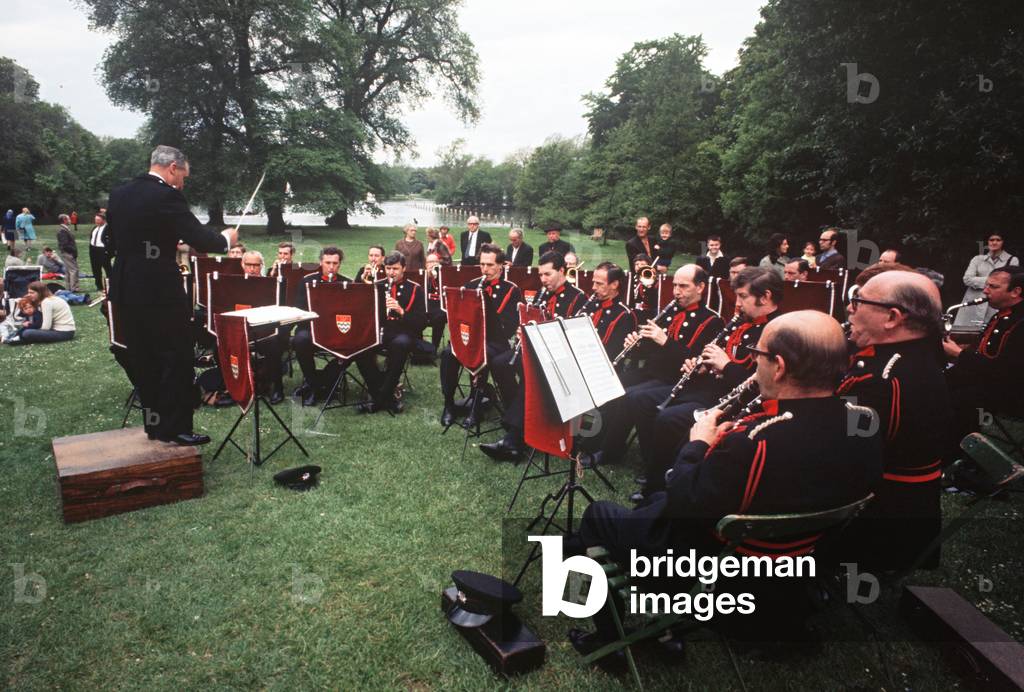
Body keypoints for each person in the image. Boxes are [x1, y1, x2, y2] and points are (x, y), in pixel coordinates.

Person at [569, 311, 882, 659]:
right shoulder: (862, 424)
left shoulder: (754, 439)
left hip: (719, 569)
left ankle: (609, 641)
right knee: (651, 502)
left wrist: (697, 444)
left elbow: (684, 503)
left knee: (599, 514)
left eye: (756, 355)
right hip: (792, 560)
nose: (752, 364)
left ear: (778, 366)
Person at [106, 144, 238, 445]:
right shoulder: (167, 195)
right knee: (175, 355)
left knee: (143, 356)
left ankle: (154, 426)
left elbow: (116, 240)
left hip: (125, 284)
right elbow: (199, 236)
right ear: (173, 168)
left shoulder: (120, 193)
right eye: (184, 177)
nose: (183, 183)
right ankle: (176, 428)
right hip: (159, 288)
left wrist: (161, 240)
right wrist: (226, 240)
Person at [634, 267, 783, 502]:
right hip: (709, 390)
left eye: (743, 297)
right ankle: (657, 476)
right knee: (646, 402)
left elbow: (760, 384)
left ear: (765, 297)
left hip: (734, 404)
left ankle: (659, 488)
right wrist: (703, 365)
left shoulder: (777, 331)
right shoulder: (743, 322)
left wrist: (725, 366)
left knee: (669, 419)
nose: (738, 304)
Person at [837, 269, 952, 570]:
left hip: (876, 527)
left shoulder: (882, 380)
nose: (850, 308)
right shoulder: (917, 357)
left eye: (859, 301)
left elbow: (833, 455)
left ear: (892, 318)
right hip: (909, 516)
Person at [583, 265, 722, 473]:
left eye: (683, 286)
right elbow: (648, 351)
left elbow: (696, 360)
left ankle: (644, 459)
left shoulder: (712, 321)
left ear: (701, 287)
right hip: (654, 373)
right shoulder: (671, 311)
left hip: (677, 380)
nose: (676, 291)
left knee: (633, 397)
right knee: (613, 382)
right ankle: (601, 444)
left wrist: (664, 340)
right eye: (675, 285)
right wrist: (635, 345)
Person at [480, 251, 586, 461]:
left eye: (548, 275)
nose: (543, 280)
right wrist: (524, 330)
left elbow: (573, 336)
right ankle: (518, 416)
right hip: (536, 350)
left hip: (560, 359)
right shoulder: (543, 293)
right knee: (501, 363)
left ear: (562, 271)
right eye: (541, 275)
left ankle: (513, 440)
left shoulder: (578, 297)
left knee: (533, 377)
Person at [943, 267, 1024, 460]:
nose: (985, 291)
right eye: (986, 285)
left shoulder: (1020, 322)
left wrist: (960, 355)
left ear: (1016, 292)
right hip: (991, 383)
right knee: (936, 383)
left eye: (993, 286)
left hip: (1012, 393)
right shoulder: (1003, 314)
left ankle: (956, 460)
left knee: (956, 400)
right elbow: (987, 354)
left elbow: (1006, 371)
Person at [439, 243, 521, 427]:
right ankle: (449, 404)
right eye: (482, 264)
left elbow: (508, 328)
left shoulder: (511, 289)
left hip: (495, 342)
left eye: (490, 265)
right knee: (447, 354)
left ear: (501, 265)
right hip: (471, 340)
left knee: (483, 354)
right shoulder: (471, 285)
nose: (485, 269)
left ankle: (476, 409)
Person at [355, 252, 427, 414]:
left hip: (404, 332)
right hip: (380, 330)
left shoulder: (415, 289)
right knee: (360, 347)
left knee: (400, 344)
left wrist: (401, 310)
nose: (391, 273)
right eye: (388, 268)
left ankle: (378, 399)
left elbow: (421, 322)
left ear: (404, 269)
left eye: (395, 269)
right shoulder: (377, 285)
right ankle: (386, 397)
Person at [291, 246, 350, 406]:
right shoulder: (307, 281)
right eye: (328, 262)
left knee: (354, 344)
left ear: (340, 264)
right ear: (321, 262)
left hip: (337, 330)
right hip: (311, 328)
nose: (331, 267)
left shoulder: (347, 283)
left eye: (335, 263)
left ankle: (317, 383)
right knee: (300, 339)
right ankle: (315, 385)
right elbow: (299, 309)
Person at [954, 233, 1018, 328]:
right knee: (965, 335)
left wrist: (978, 280)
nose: (994, 242)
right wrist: (994, 282)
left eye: (998, 240)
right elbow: (967, 279)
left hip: (995, 304)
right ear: (987, 242)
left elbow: (1011, 282)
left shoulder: (1012, 260)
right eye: (991, 240)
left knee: (990, 334)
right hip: (973, 304)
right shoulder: (977, 259)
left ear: (1003, 242)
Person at [8, 281, 76, 344]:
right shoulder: (50, 299)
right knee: (27, 331)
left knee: (27, 333)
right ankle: (19, 338)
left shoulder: (46, 302)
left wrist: (32, 327)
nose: (29, 295)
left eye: (32, 293)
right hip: (66, 331)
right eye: (28, 292)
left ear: (40, 293)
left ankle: (20, 339)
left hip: (64, 332)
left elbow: (46, 327)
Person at [88, 212, 111, 292]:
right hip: (94, 250)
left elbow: (111, 241)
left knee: (108, 269)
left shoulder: (108, 228)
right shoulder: (95, 228)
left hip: (102, 251)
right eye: (95, 219)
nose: (96, 221)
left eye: (98, 220)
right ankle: (99, 286)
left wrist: (108, 251)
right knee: (95, 269)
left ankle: (111, 285)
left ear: (104, 220)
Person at [56, 214, 80, 292]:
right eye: (68, 219)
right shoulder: (62, 230)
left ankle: (69, 287)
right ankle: (74, 288)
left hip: (67, 252)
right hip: (68, 253)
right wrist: (73, 251)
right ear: (64, 220)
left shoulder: (64, 229)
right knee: (73, 270)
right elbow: (65, 244)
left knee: (68, 270)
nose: (70, 220)